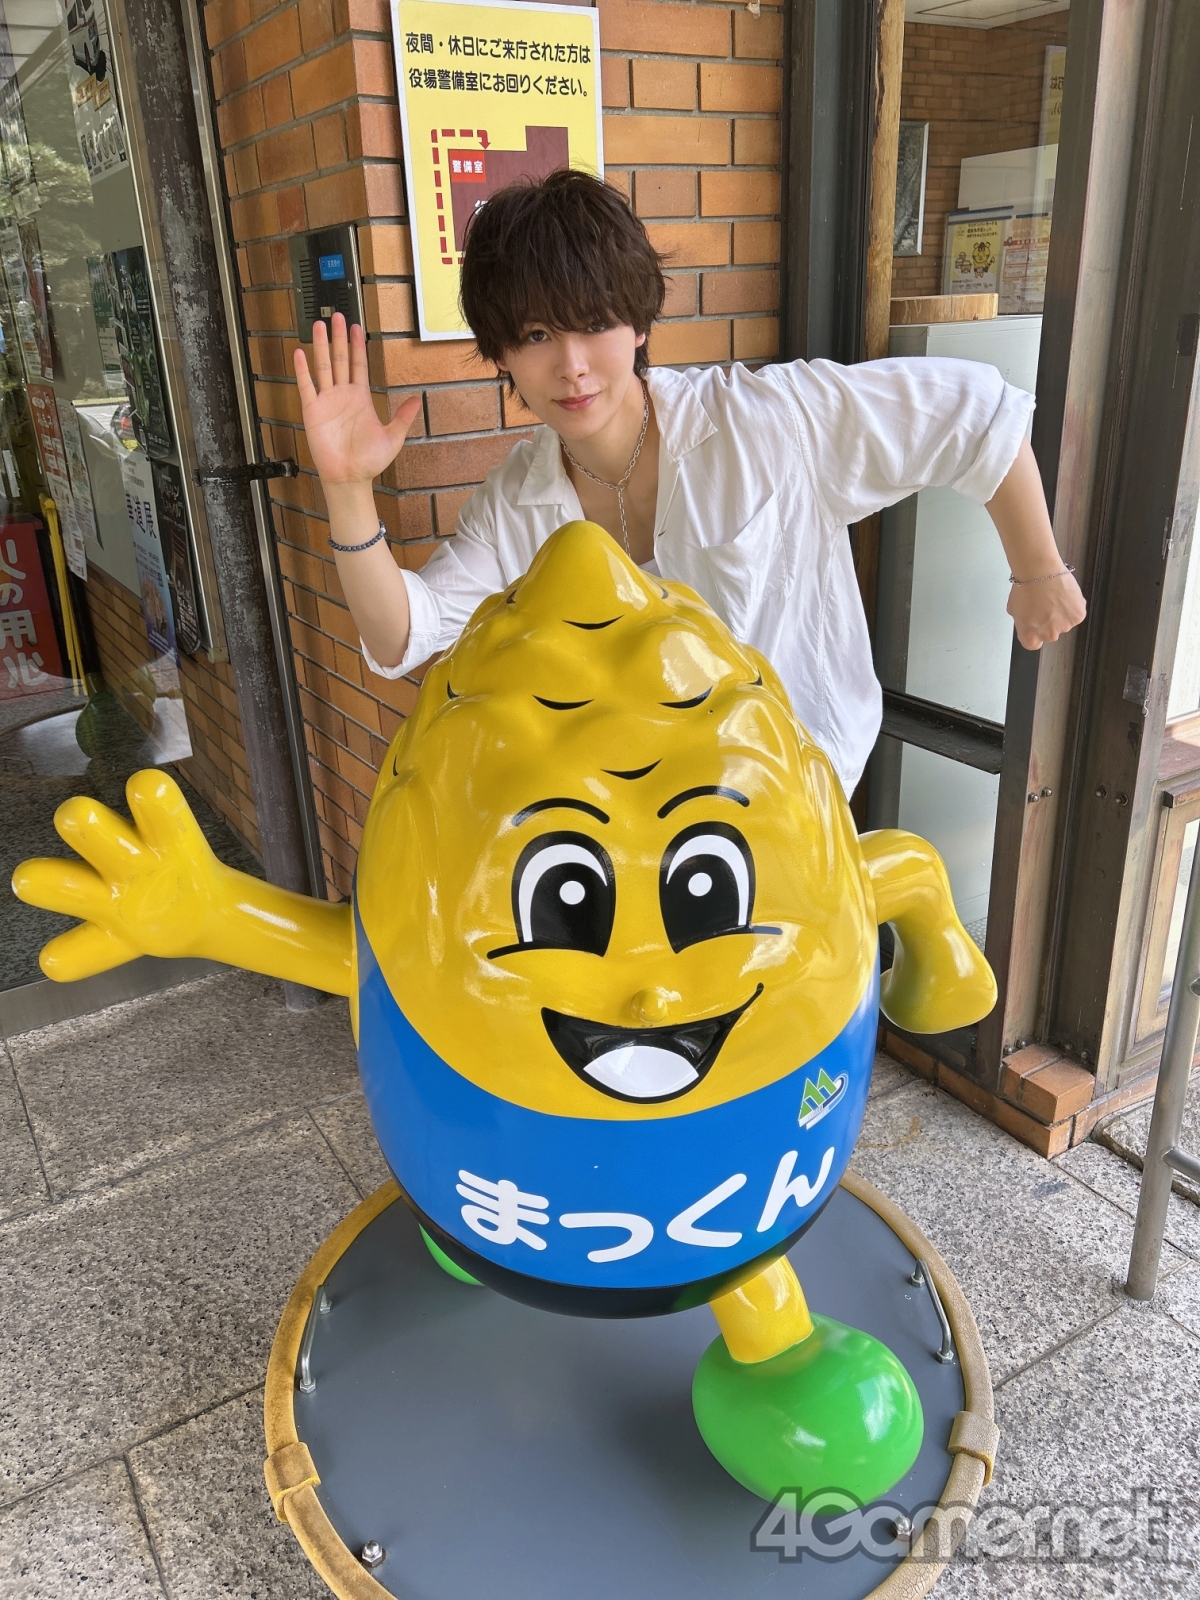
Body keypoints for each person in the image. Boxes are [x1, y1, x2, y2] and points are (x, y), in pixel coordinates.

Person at [294, 170, 1085, 797]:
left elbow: (972, 413)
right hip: (637, 844)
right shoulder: (513, 504)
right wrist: (349, 489)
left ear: (639, 322)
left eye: (594, 323)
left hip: (798, 811)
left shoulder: (769, 419)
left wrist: (1038, 570)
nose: (571, 366)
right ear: (500, 353)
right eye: (535, 334)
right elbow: (402, 635)